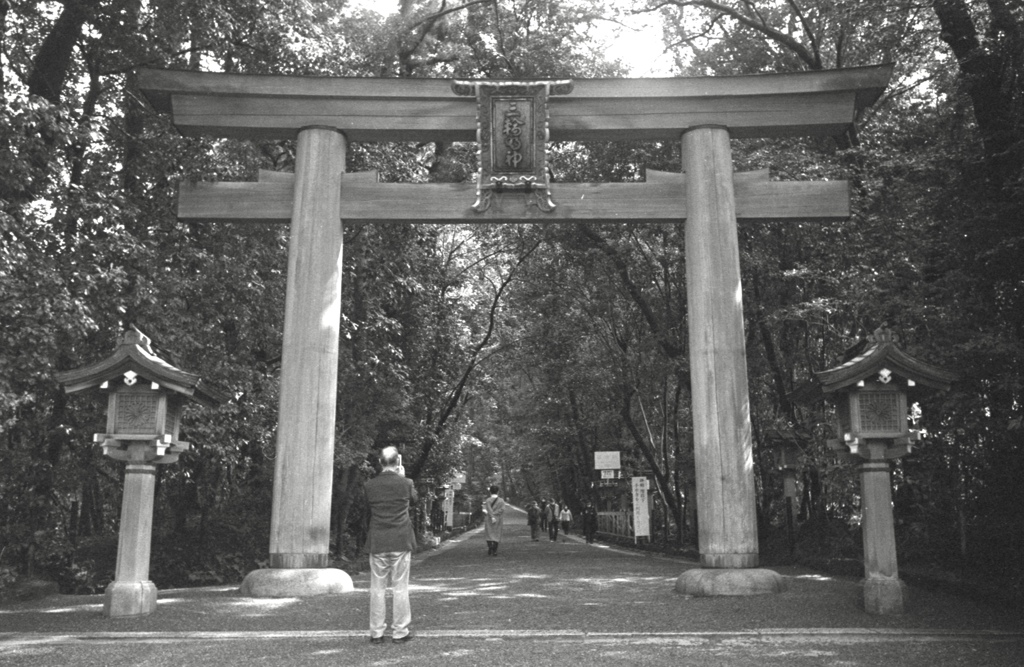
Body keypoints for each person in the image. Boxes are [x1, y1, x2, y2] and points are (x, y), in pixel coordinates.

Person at [363, 446, 417, 644]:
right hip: (400, 539)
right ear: (397, 462)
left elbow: (366, 508)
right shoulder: (406, 483)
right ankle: (400, 631)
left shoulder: (370, 485)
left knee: (377, 588)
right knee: (400, 588)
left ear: (380, 462)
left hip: (378, 539)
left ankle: (376, 633)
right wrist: (402, 476)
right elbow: (415, 500)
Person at [482, 485, 506, 555]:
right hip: (498, 518)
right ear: (498, 491)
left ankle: (490, 547)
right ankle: (494, 550)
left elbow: (487, 509)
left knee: (489, 533)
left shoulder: (488, 500)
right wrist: (495, 514)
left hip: (489, 518)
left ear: (490, 491)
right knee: (497, 533)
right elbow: (502, 509)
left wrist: (491, 515)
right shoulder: (501, 500)